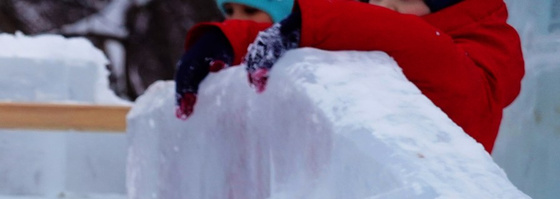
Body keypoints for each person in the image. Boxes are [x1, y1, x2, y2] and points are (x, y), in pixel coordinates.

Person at [174, 0, 524, 150]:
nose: (382, 7)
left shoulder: (476, 68)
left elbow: (424, 49)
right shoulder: (377, 38)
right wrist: (228, 39)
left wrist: (311, 26)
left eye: (400, 0)